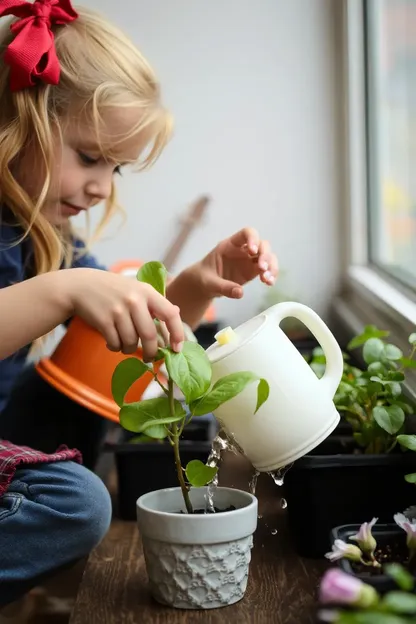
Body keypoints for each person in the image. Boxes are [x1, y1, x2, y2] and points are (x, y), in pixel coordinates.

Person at [0, 0, 278, 609]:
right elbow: (64, 298)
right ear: (17, 120)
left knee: (67, 426)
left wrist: (200, 282)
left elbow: (118, 331)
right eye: (90, 156)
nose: (102, 187)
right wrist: (60, 290)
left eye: (117, 168)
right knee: (80, 503)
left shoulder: (42, 229)